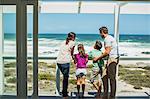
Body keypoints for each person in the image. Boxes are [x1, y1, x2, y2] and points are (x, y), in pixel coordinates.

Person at [93, 26, 119, 99]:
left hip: (112, 59)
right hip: (111, 59)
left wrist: (97, 58)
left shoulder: (107, 39)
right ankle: (106, 94)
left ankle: (112, 96)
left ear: (102, 32)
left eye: (100, 33)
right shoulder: (110, 38)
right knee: (104, 76)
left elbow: (107, 52)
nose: (100, 35)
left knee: (112, 78)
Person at [56, 32, 76, 98]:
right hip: (65, 61)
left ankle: (63, 91)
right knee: (65, 78)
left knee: (64, 77)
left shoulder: (63, 42)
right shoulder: (73, 43)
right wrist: (74, 59)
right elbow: (72, 53)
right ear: (73, 37)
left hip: (59, 61)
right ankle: (64, 94)